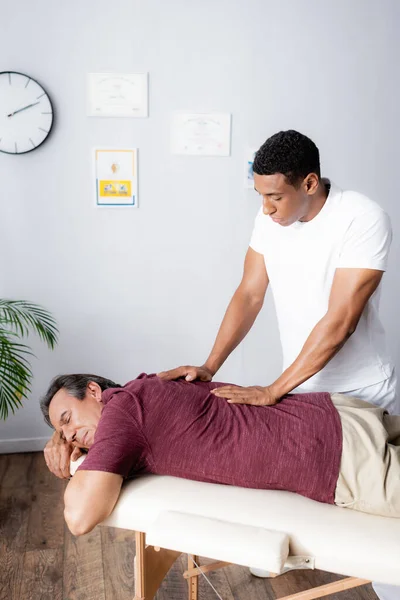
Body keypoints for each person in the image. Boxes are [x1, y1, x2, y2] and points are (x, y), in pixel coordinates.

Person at [157, 130, 397, 598]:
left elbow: (341, 319)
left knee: (377, 518)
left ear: (309, 184)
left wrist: (272, 391)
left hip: (362, 391)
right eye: (260, 196)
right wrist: (210, 364)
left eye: (274, 197)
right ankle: (282, 555)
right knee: (292, 490)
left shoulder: (363, 218)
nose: (265, 208)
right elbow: (249, 293)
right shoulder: (270, 218)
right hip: (301, 390)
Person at [42, 372, 400, 537]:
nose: (71, 435)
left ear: (93, 390)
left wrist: (70, 464)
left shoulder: (120, 418)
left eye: (68, 419)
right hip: (338, 412)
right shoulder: (143, 385)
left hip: (336, 457)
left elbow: (80, 518)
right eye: (64, 434)